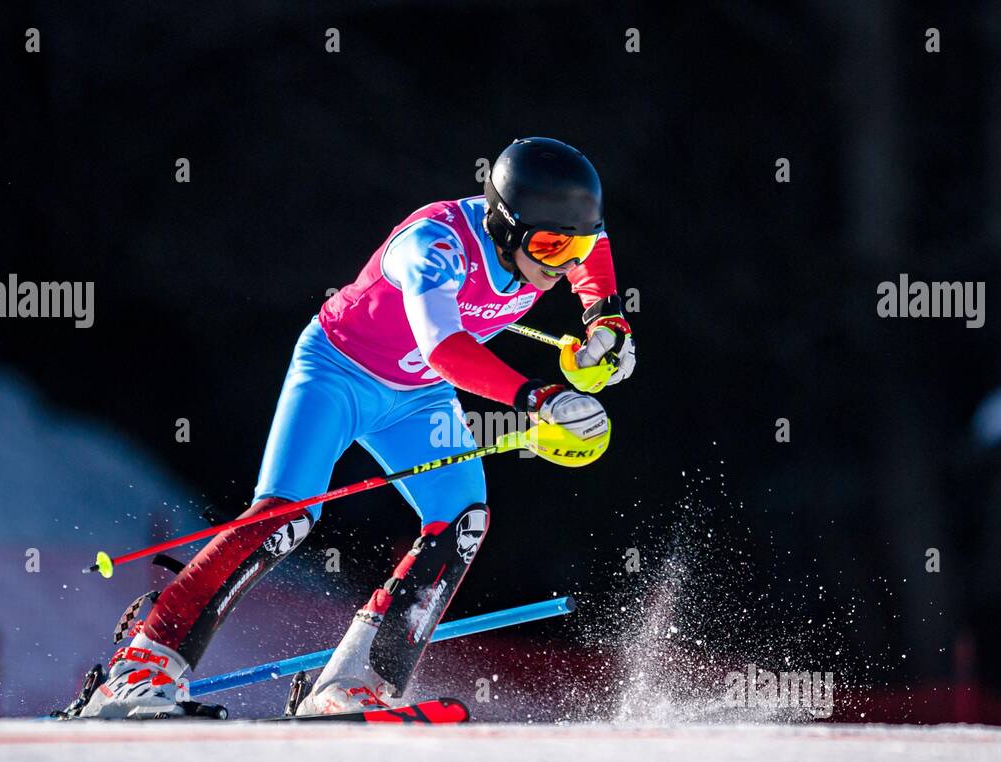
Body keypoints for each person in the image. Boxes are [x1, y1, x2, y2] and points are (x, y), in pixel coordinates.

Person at [76, 136, 635, 718]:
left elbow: (593, 255)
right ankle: (138, 669)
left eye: (577, 243)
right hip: (338, 374)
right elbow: (444, 348)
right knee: (284, 517)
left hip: (418, 399)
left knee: (462, 521)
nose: (565, 260)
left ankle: (353, 682)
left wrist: (606, 319)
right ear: (504, 224)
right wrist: (537, 398)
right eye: (550, 245)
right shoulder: (434, 246)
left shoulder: (562, 244)